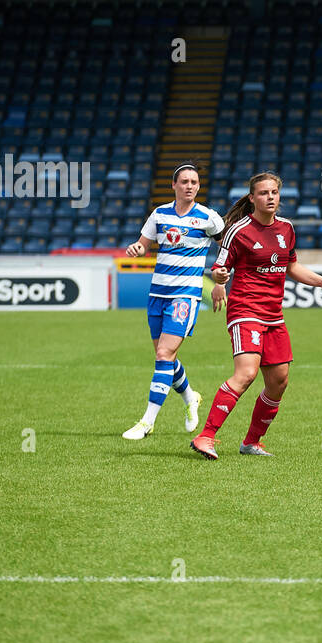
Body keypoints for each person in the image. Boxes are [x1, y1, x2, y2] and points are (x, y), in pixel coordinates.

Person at [190, 172, 322, 459]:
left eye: (274, 192)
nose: (269, 197)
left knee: (279, 381)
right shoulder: (239, 230)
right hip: (245, 311)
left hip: (274, 315)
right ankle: (205, 436)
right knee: (246, 374)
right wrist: (220, 281)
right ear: (252, 198)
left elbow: (292, 267)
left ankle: (251, 442)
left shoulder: (286, 229)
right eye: (263, 193)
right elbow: (220, 267)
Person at [121, 163, 223, 440]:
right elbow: (144, 243)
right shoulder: (160, 214)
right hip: (157, 294)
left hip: (185, 295)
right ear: (174, 186)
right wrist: (137, 248)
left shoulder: (208, 218)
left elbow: (227, 249)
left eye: (194, 182)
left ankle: (147, 421)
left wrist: (220, 283)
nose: (190, 186)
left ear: (198, 187)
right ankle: (191, 398)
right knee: (166, 357)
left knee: (164, 355)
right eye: (185, 181)